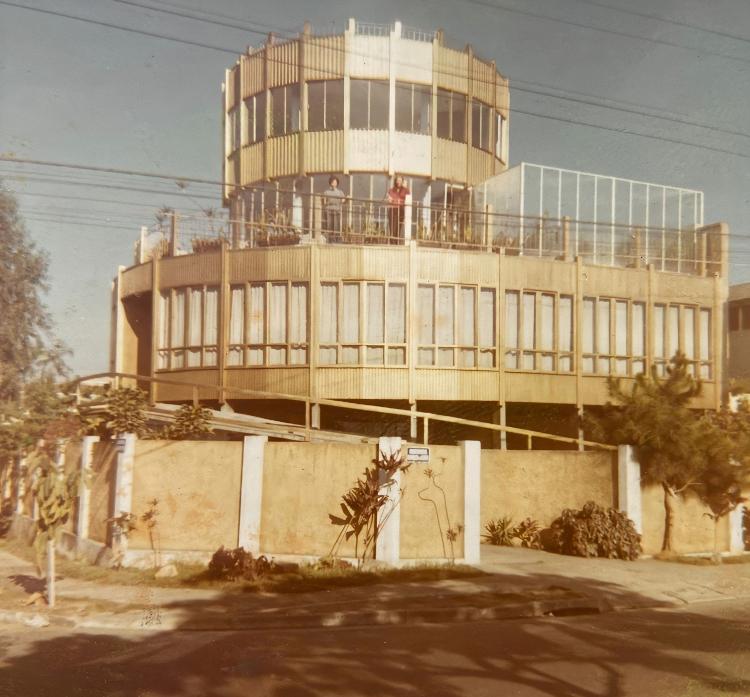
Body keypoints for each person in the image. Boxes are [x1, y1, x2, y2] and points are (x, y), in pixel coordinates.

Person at [387, 175, 410, 244]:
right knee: (392, 228)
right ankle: (392, 242)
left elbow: (409, 199)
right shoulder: (391, 190)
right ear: (395, 181)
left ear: (402, 181)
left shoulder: (405, 190)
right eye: (397, 180)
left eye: (400, 180)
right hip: (392, 210)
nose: (398, 182)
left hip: (401, 210)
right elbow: (389, 198)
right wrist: (389, 199)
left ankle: (396, 242)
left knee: (398, 228)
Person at [322, 175, 345, 242]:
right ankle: (329, 240)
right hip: (328, 210)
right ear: (330, 183)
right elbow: (324, 201)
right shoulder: (326, 192)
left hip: (337, 210)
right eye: (332, 182)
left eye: (335, 182)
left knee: (336, 225)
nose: (334, 183)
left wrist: (346, 199)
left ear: (337, 183)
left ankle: (336, 240)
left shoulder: (340, 192)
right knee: (329, 225)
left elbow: (343, 200)